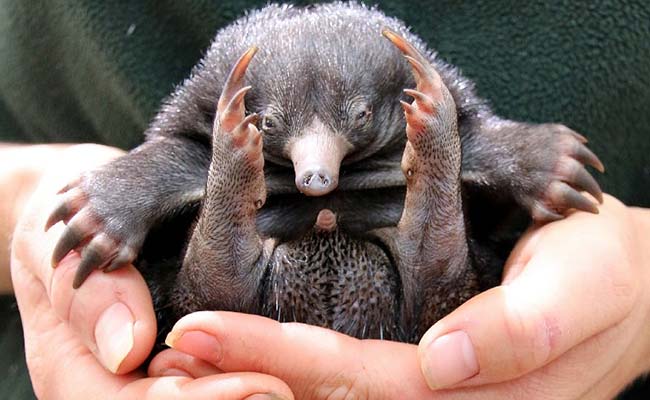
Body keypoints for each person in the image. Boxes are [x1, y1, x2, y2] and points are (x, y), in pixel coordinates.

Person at [5, 141, 650, 399]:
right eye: (292, 138)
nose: (317, 170)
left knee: (441, 266)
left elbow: (488, 144)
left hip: (430, 293)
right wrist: (25, 204)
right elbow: (176, 152)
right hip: (199, 304)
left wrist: (640, 292)